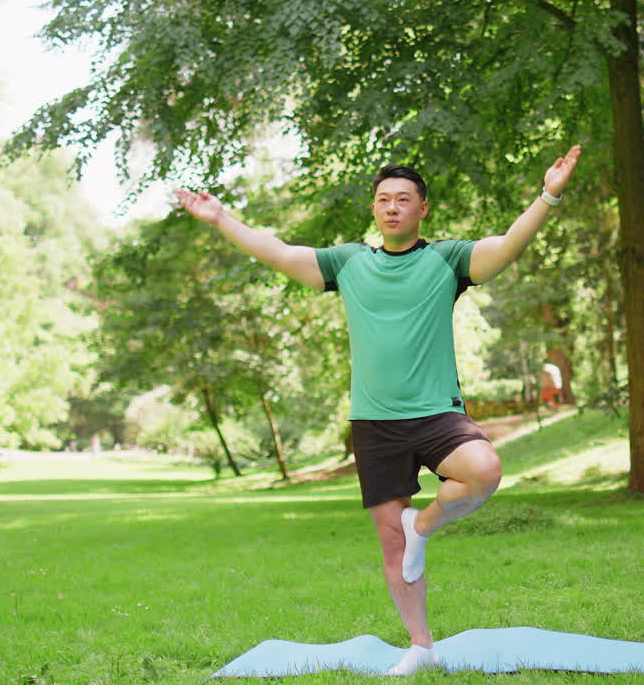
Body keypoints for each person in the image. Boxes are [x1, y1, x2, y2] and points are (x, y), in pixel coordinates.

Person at [175, 144, 582, 675]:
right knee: (391, 541)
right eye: (384, 199)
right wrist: (221, 218)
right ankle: (420, 646)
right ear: (374, 209)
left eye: (404, 199)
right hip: (374, 422)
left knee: (484, 470)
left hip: (437, 413)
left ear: (422, 210)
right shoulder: (348, 263)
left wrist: (548, 194)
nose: (393, 207)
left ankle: (426, 524)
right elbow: (277, 251)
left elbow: (505, 246)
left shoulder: (446, 259)